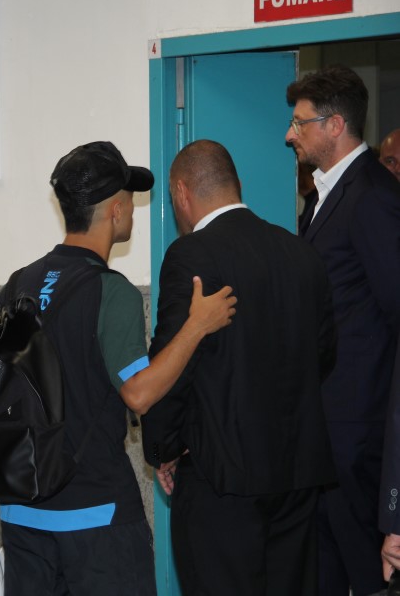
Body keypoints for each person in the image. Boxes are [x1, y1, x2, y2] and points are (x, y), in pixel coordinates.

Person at [0, 141, 236, 595]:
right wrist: (197, 326)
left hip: (22, 514)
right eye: (130, 200)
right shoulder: (110, 291)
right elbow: (138, 393)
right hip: (95, 516)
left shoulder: (18, 283)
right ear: (116, 210)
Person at [141, 139, 337, 595]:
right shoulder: (301, 252)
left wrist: (164, 448)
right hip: (296, 474)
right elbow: (325, 355)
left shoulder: (190, 255)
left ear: (181, 192)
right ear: (238, 186)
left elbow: (174, 366)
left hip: (221, 478)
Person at [287, 65, 400, 596]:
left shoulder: (373, 194)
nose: (290, 134)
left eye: (300, 122)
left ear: (334, 126)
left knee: (367, 575)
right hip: (326, 432)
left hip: (359, 434)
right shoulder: (323, 196)